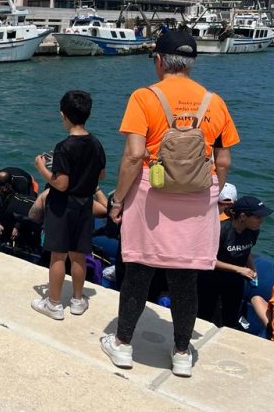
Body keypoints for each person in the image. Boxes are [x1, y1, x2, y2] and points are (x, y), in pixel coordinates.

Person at [102, 30, 240, 378]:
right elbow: (223, 161)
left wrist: (117, 200)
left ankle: (122, 344)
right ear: (192, 63)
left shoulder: (144, 97)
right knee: (185, 278)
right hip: (198, 198)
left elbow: (134, 156)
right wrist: (210, 195)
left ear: (159, 61)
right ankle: (180, 353)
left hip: (152, 194)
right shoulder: (215, 102)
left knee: (138, 272)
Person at [31, 90, 105, 321]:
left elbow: (61, 184)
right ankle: (77, 300)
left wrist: (41, 168)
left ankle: (54, 303)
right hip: (85, 205)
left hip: (63, 207)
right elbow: (101, 175)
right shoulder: (96, 143)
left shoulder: (64, 147)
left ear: (64, 115)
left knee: (58, 256)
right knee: (79, 255)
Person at [197, 195, 271, 329]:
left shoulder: (253, 232)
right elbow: (208, 260)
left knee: (231, 318)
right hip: (211, 279)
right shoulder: (221, 230)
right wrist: (239, 269)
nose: (261, 221)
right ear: (243, 216)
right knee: (205, 316)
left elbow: (246, 250)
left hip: (235, 280)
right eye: (258, 217)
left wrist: (252, 267)